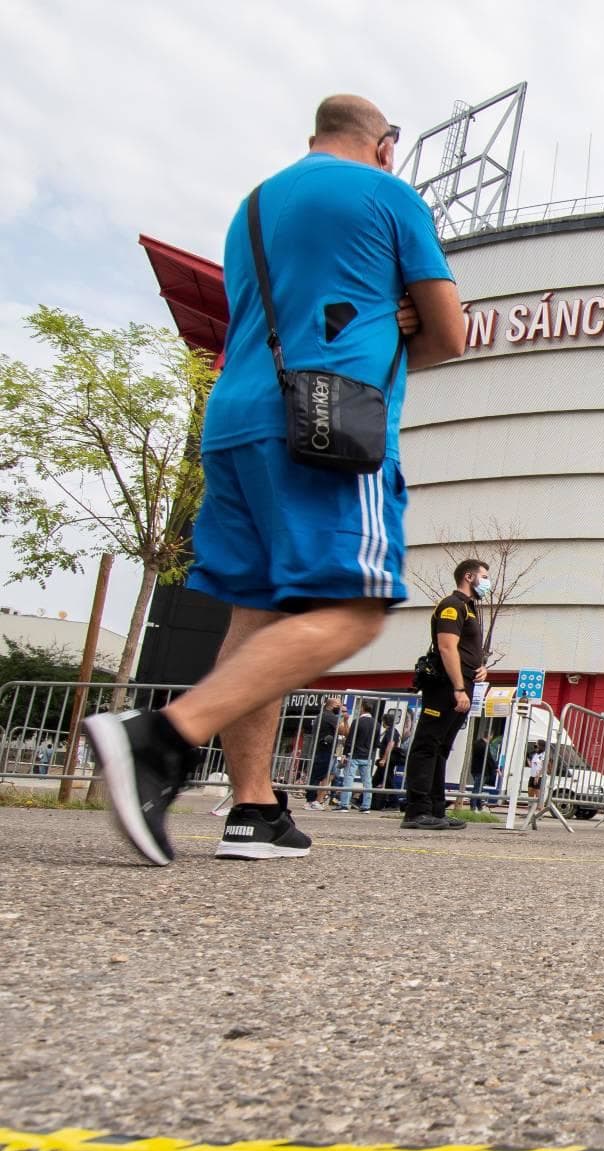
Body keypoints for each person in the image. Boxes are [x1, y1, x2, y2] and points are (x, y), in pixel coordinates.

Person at [83, 94, 465, 865]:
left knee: (256, 615)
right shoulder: (390, 195)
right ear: (385, 145)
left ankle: (253, 809)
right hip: (329, 420)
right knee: (356, 607)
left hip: (235, 416)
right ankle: (162, 737)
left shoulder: (252, 208)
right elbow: (450, 334)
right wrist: (397, 324)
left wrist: (373, 310)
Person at [403, 559, 490, 830]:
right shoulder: (452, 605)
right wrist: (458, 688)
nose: (488, 583)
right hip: (446, 686)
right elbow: (446, 647)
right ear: (469, 577)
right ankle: (417, 811)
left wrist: (480, 667)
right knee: (427, 746)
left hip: (462, 683)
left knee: (440, 748)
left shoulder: (470, 608)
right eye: (485, 576)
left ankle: (436, 810)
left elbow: (464, 649)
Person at [337, 701, 378, 812]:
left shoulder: (357, 722)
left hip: (354, 755)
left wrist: (345, 753)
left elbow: (350, 739)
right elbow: (376, 743)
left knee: (348, 780)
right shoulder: (377, 724)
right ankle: (366, 806)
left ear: (363, 708)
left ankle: (344, 804)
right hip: (367, 756)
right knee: (367, 782)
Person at [303, 696, 343, 809]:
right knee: (318, 775)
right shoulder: (330, 716)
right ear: (332, 706)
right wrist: (344, 719)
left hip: (321, 748)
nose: (340, 708)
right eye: (338, 705)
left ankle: (312, 800)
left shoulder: (322, 715)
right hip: (324, 749)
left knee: (319, 774)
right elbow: (342, 730)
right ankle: (311, 801)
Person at [370, 709, 402, 810]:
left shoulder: (391, 731)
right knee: (375, 781)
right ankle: (364, 799)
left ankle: (395, 804)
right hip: (387, 761)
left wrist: (384, 759)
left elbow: (391, 744)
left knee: (388, 782)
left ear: (385, 721)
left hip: (387, 761)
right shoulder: (393, 731)